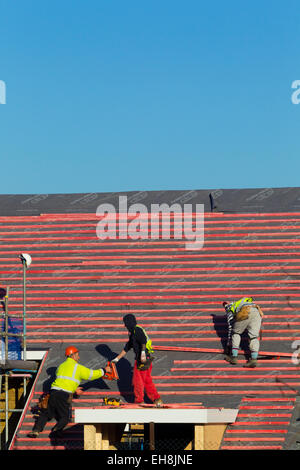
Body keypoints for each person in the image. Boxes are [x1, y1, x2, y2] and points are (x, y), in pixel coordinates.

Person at [28, 346, 111, 438]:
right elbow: (91, 375)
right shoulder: (77, 367)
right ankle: (56, 431)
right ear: (73, 355)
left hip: (53, 393)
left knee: (46, 414)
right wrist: (104, 370)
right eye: (77, 355)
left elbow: (65, 380)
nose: (79, 357)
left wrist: (74, 389)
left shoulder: (61, 366)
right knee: (65, 417)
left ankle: (36, 430)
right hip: (63, 395)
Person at [112, 313, 163, 407]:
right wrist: (117, 359)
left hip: (142, 360)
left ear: (129, 323)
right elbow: (127, 347)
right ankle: (157, 399)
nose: (125, 326)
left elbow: (143, 340)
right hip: (145, 360)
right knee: (147, 381)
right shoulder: (132, 334)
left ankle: (139, 401)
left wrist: (143, 353)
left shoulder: (137, 330)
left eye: (125, 323)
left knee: (138, 381)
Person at [223, 297, 264, 368]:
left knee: (236, 332)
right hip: (257, 310)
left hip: (245, 310)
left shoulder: (230, 309)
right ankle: (254, 359)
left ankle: (234, 357)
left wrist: (228, 346)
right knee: (254, 337)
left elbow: (231, 327)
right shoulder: (240, 302)